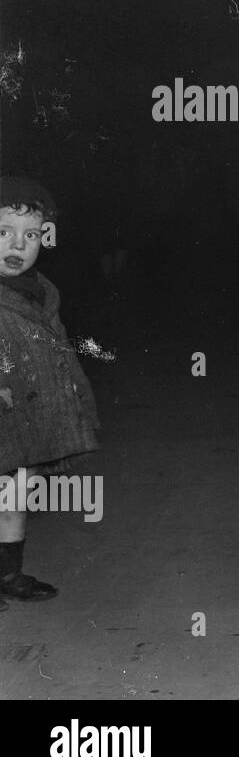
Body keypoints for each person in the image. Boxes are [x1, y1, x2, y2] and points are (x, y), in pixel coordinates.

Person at [0, 177, 100, 612]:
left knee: (18, 492)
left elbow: (60, 349)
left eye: (31, 235)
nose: (17, 245)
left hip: (30, 416)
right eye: (3, 232)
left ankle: (8, 573)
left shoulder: (45, 291)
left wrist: (78, 398)